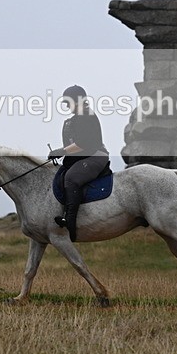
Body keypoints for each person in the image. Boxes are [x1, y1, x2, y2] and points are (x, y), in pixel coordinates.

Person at [47, 85, 110, 242]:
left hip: (95, 156)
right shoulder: (74, 119)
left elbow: (83, 144)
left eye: (68, 102)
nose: (67, 106)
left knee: (71, 177)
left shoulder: (86, 116)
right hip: (82, 158)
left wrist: (61, 151)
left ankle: (70, 221)